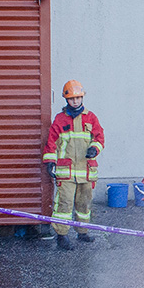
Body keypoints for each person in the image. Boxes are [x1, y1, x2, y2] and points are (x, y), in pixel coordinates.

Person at [43, 80, 105, 251]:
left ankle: (82, 232)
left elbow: (99, 138)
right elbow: (51, 143)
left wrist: (94, 149)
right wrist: (49, 161)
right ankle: (61, 236)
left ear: (82, 97)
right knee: (64, 205)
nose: (75, 102)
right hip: (66, 172)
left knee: (84, 204)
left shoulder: (91, 117)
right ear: (66, 100)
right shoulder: (60, 119)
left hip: (86, 171)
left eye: (78, 98)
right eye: (72, 99)